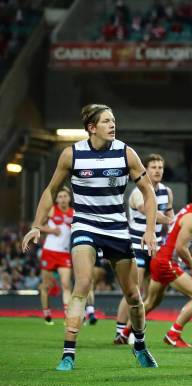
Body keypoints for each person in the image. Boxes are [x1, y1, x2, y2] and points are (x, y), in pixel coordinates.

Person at [22, 103, 159, 371]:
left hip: (117, 229)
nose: (113, 125)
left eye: (114, 120)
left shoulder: (126, 153)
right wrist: (37, 225)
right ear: (91, 127)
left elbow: (148, 192)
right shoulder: (71, 155)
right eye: (107, 121)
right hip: (85, 225)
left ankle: (140, 344)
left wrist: (150, 229)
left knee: (133, 294)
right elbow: (51, 191)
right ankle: (68, 355)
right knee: (82, 283)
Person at [140, 178, 192, 347]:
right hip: (167, 262)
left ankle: (125, 331)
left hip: (160, 259)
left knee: (151, 302)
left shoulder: (188, 211)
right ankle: (174, 334)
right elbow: (180, 247)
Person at [114, 153, 174, 344]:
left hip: (155, 248)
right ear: (145, 170)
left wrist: (172, 233)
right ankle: (119, 331)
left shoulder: (167, 191)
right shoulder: (138, 192)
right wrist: (172, 219)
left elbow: (170, 220)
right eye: (154, 167)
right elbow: (148, 211)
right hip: (136, 245)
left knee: (150, 293)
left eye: (160, 167)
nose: (157, 170)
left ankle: (133, 330)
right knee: (134, 290)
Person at [38, 186, 73, 325]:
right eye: (60, 197)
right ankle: (46, 312)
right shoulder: (52, 210)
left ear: (69, 198)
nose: (63, 199)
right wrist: (51, 230)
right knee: (46, 286)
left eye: (65, 196)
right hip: (49, 252)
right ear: (56, 199)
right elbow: (37, 226)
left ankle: (67, 315)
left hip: (64, 253)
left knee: (66, 285)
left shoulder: (73, 213)